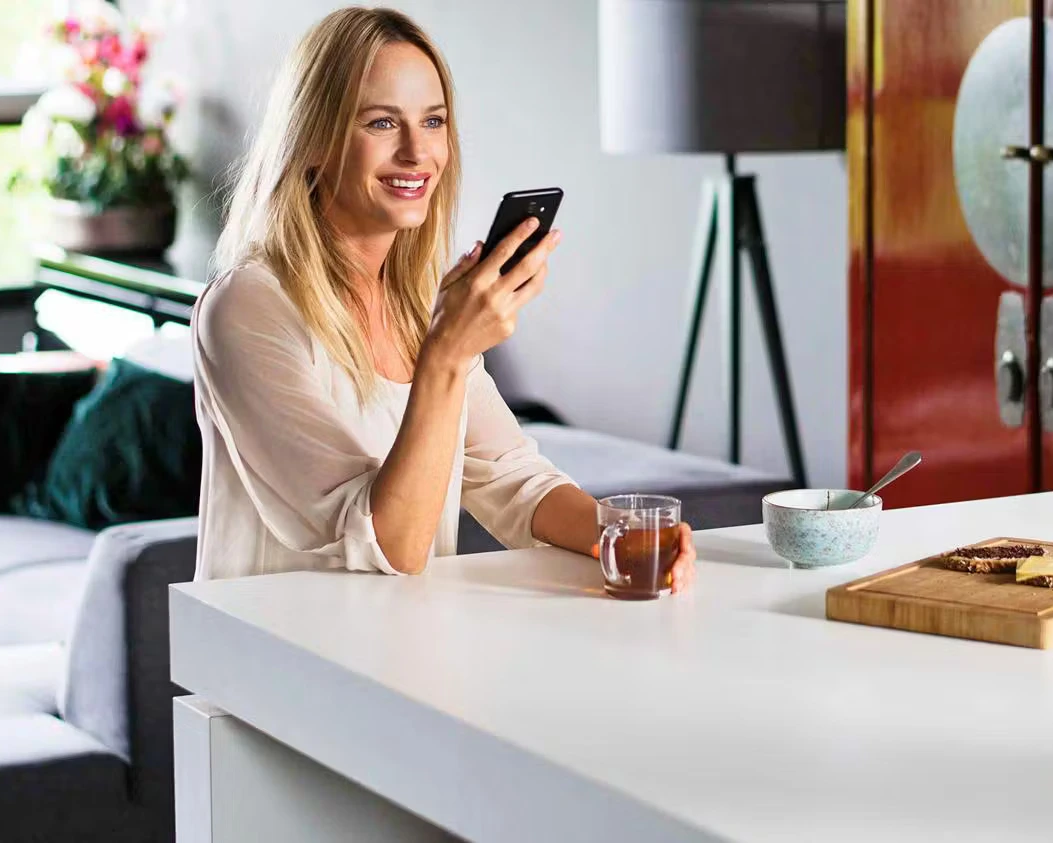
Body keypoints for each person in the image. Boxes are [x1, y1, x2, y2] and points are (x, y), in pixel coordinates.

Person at [192, 6, 697, 587]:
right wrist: (448, 355)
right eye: (381, 123)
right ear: (312, 142)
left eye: (433, 122)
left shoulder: (413, 305)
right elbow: (390, 543)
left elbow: (513, 479)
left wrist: (619, 534)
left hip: (401, 653)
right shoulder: (248, 307)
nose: (416, 152)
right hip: (281, 663)